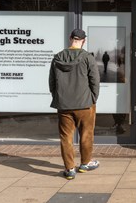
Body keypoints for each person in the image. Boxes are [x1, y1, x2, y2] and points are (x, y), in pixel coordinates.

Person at [49, 29, 100, 180]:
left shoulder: (57, 57)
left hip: (64, 105)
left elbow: (52, 83)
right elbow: (95, 81)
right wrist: (93, 98)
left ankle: (69, 169)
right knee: (86, 134)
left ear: (70, 38)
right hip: (85, 104)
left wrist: (59, 98)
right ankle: (85, 164)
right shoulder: (87, 57)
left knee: (66, 137)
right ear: (83, 41)